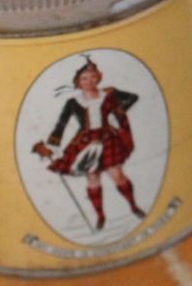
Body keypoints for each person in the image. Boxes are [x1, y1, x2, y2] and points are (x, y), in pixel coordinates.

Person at [31, 58, 144, 229]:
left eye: (92, 77)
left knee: (117, 174)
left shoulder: (109, 94)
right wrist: (51, 146)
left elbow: (132, 98)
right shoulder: (73, 102)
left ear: (98, 77)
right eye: (84, 78)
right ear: (78, 82)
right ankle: (100, 216)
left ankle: (133, 206)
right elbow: (61, 124)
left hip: (107, 138)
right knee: (92, 177)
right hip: (86, 142)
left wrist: (118, 111)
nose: (89, 81)